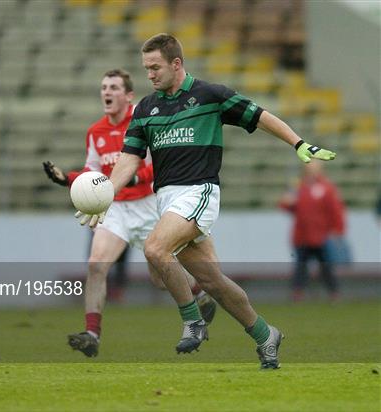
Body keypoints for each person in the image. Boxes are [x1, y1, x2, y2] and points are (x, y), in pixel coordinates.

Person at [77, 34, 337, 369]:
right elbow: (129, 159)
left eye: (155, 67)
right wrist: (105, 195)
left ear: (176, 64)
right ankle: (265, 334)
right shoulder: (145, 108)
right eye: (146, 69)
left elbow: (260, 116)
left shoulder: (211, 96)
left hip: (199, 191)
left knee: (155, 249)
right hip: (168, 199)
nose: (151, 75)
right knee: (214, 282)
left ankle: (193, 320)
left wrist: (299, 143)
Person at [43, 69, 216, 357]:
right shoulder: (95, 132)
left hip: (148, 205)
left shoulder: (144, 119)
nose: (106, 92)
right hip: (116, 208)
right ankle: (91, 334)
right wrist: (68, 179)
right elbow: (92, 175)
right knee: (97, 264)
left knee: (161, 279)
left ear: (128, 95)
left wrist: (132, 178)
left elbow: (159, 163)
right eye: (103, 87)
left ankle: (198, 291)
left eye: (113, 87)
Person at [279, 161, 346, 301]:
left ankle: (334, 293)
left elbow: (335, 210)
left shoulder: (327, 187)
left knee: (326, 266)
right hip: (302, 235)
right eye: (309, 169)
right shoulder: (298, 186)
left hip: (321, 235)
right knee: (301, 268)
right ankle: (297, 294)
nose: (311, 171)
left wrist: (338, 229)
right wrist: (288, 201)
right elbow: (285, 205)